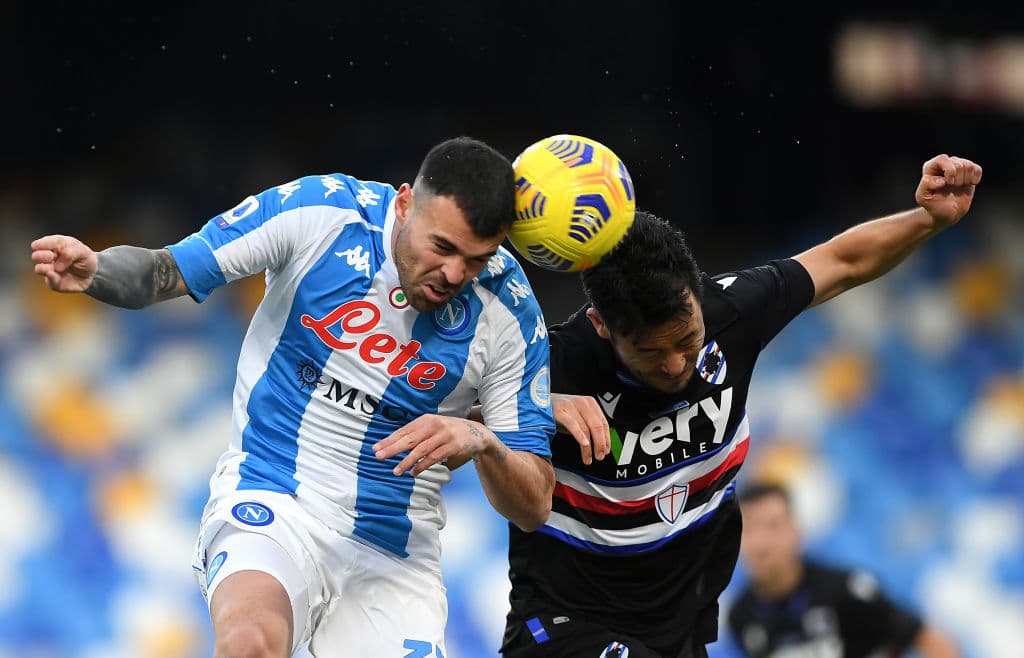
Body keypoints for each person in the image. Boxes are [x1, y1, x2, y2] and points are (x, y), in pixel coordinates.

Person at [30, 136, 556, 658]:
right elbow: (165, 270)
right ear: (403, 203)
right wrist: (96, 269)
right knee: (252, 642)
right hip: (275, 496)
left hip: (395, 553)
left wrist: (484, 441)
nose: (455, 275)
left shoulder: (508, 311)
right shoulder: (322, 214)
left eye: (477, 260)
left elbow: (533, 505)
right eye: (442, 248)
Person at [499, 154, 982, 658]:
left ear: (695, 294)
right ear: (602, 326)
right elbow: (427, 409)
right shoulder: (552, 364)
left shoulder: (732, 312)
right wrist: (535, 405)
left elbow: (843, 261)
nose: (674, 364)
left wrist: (927, 219)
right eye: (649, 352)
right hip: (565, 626)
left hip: (674, 629)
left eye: (686, 338)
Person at [728, 482, 960, 658]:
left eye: (773, 526)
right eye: (749, 528)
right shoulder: (740, 617)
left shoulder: (846, 592)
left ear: (797, 532)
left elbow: (933, 642)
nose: (761, 543)